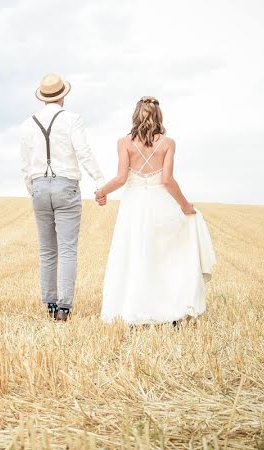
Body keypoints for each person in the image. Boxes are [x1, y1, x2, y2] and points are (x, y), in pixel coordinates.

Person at [95, 96, 215, 325]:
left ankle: (134, 307)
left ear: (136, 114)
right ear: (159, 116)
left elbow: (121, 178)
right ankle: (171, 309)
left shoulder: (124, 143)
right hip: (161, 204)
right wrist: (185, 206)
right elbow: (167, 180)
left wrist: (102, 191)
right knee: (165, 256)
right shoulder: (168, 143)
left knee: (134, 253)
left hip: (134, 207)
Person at [20, 74, 106, 322]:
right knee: (67, 250)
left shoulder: (27, 124)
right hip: (66, 185)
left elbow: (25, 165)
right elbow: (83, 152)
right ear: (63, 95)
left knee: (47, 250)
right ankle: (63, 309)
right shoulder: (71, 120)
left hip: (38, 186)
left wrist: (33, 189)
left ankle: (49, 303)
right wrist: (99, 181)